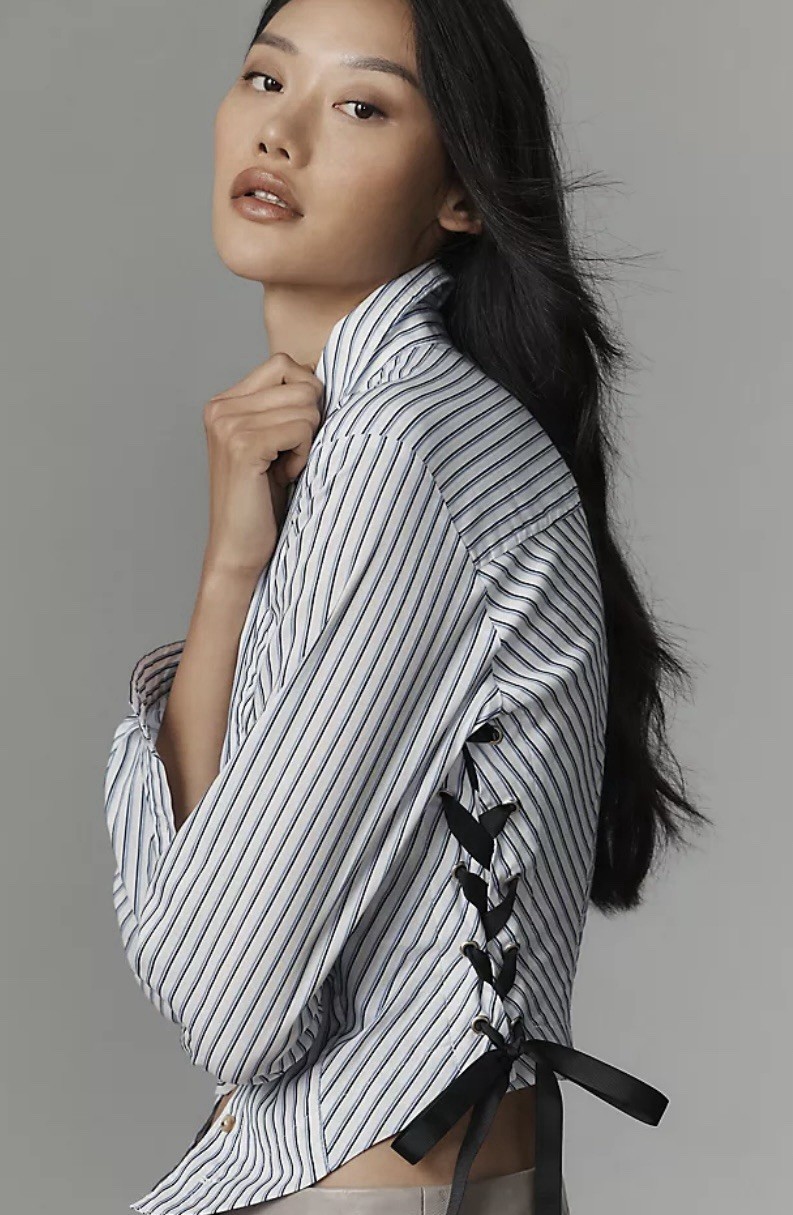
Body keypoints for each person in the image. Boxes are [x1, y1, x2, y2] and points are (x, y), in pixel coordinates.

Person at [102, 1, 710, 1212]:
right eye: (264, 80)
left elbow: (230, 1006)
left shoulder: (402, 448)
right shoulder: (412, 426)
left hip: (365, 1184)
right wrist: (232, 569)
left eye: (361, 105)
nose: (279, 135)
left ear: (463, 193)